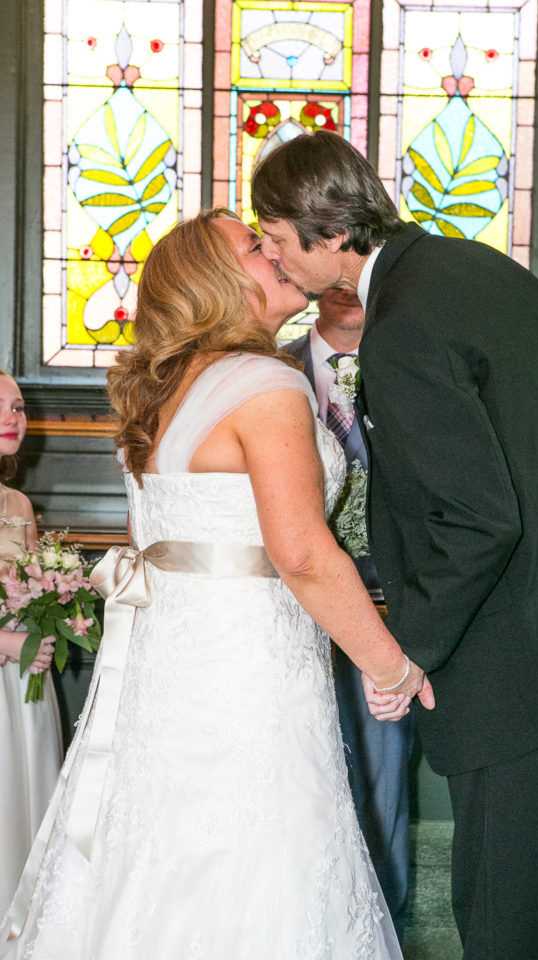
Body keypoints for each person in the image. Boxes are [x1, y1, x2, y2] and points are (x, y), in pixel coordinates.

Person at [0, 209, 434, 960]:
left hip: (170, 664)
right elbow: (300, 551)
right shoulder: (266, 383)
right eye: (253, 246)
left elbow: (154, 542)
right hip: (250, 666)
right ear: (215, 280)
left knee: (165, 845)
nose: (274, 252)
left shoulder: (165, 391)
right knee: (258, 846)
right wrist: (388, 663)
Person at [251, 130, 538, 960]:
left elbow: (474, 519)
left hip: (517, 650)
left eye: (280, 240)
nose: (278, 262)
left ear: (328, 229)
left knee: (505, 906)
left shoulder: (406, 329)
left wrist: (408, 652)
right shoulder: (476, 268)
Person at [285, 288, 415, 938]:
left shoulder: (414, 366)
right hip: (288, 606)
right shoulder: (274, 371)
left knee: (384, 761)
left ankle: (384, 917)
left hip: (392, 600)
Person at [0, 370, 63, 917]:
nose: (11, 418)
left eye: (18, 408)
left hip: (23, 677)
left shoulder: (17, 505)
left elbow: (36, 588)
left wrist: (47, 624)